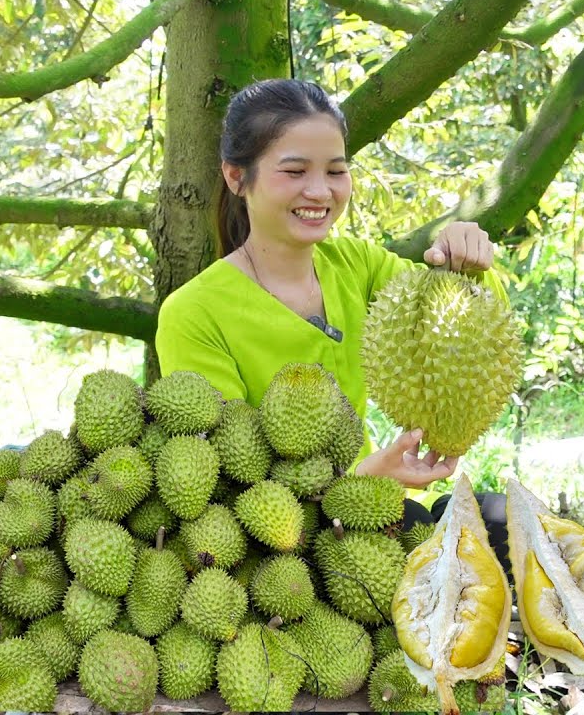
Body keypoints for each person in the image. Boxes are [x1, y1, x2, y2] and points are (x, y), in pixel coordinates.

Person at [154, 78, 506, 560]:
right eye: (294, 171)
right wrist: (361, 480)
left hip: (374, 515)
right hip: (283, 551)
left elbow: (469, 320)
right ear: (237, 177)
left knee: (502, 520)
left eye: (336, 171)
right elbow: (220, 486)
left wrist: (469, 262)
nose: (319, 191)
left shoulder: (356, 265)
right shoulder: (193, 313)